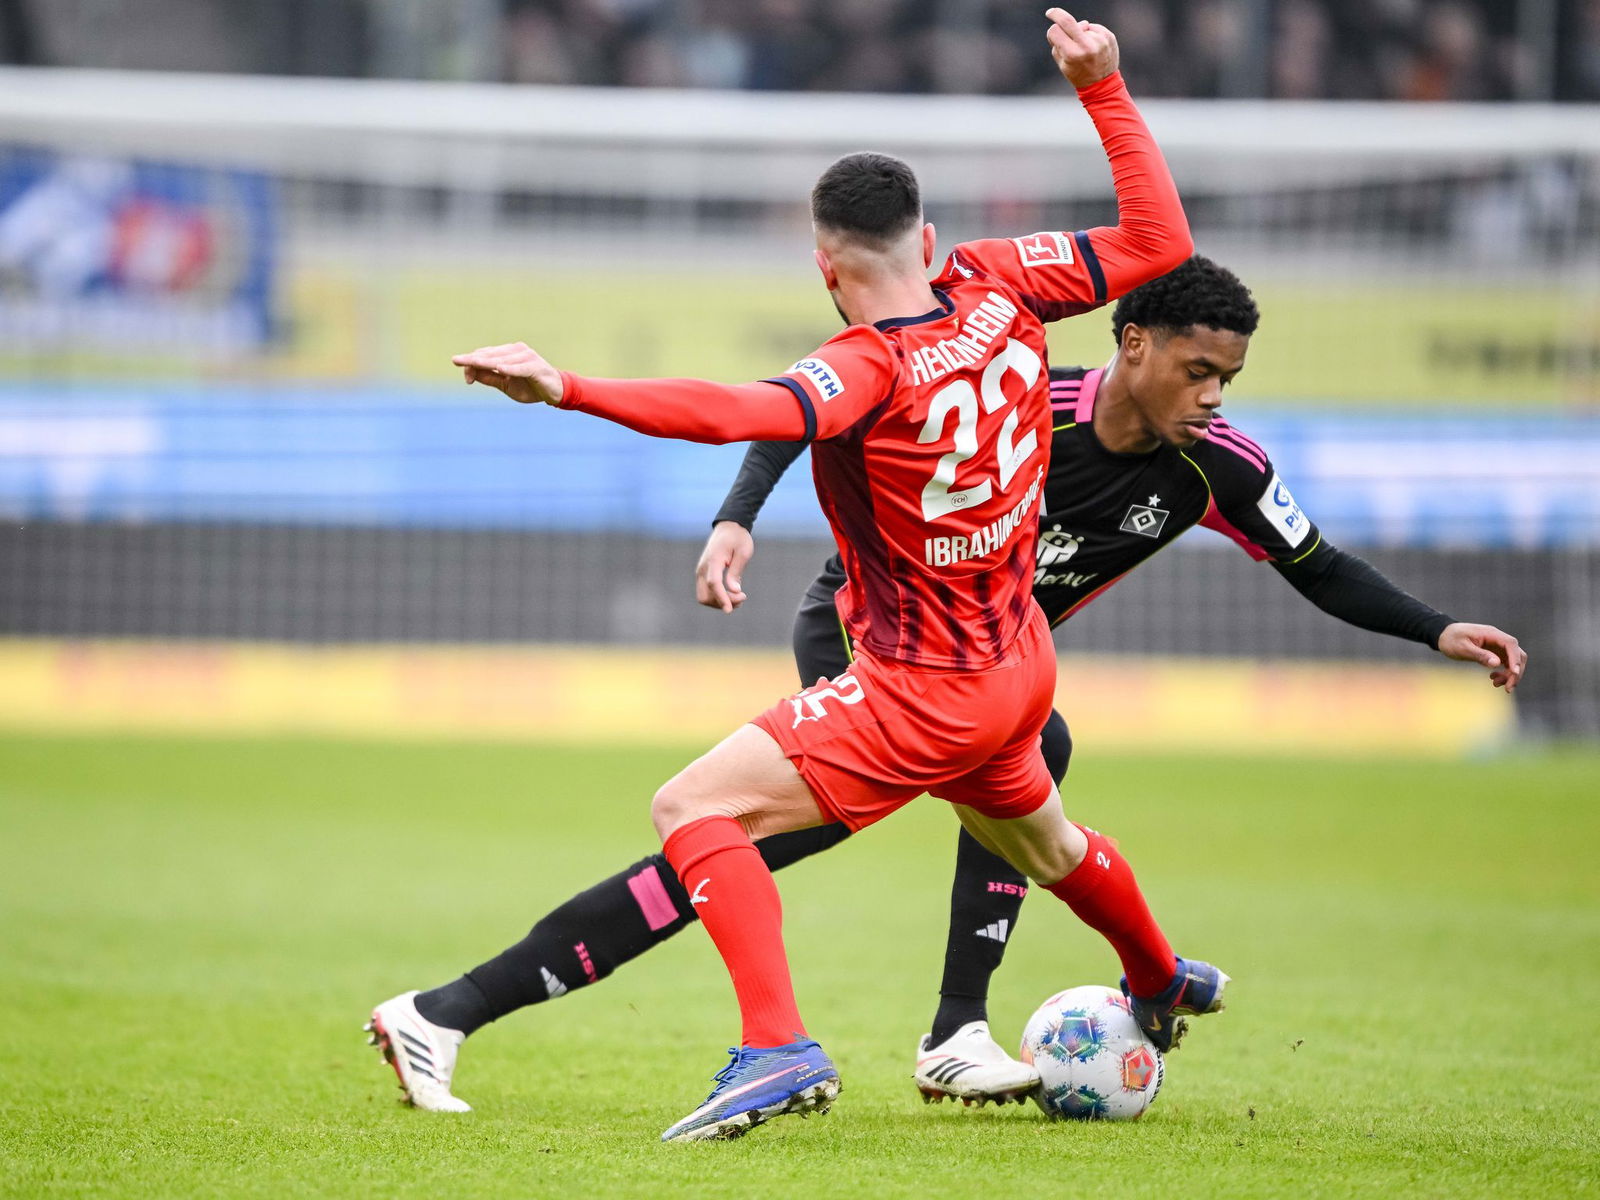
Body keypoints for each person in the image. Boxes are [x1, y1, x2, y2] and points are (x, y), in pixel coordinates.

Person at [365, 256, 1528, 1120]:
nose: (1215, 394)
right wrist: (734, 519)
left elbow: (1317, 566)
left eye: (1228, 376)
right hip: (870, 644)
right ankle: (966, 1027)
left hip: (982, 674)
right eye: (1197, 368)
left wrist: (1435, 630)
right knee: (753, 835)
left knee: (795, 835)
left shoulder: (1213, 469)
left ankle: (451, 1012)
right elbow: (803, 406)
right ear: (1129, 344)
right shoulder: (1025, 403)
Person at [370, 9, 1217, 1143]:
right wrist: (1105, 89)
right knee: (1048, 844)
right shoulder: (1001, 281)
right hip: (1020, 660)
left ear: (825, 267)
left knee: (694, 809)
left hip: (920, 681)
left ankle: (774, 1047)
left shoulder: (862, 366)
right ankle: (1154, 977)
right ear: (929, 236)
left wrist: (565, 385)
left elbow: (732, 413)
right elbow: (1159, 245)